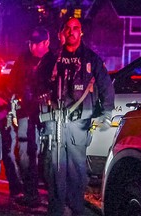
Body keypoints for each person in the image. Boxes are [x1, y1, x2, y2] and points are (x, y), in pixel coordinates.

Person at [44, 17, 115, 216]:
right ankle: (56, 209)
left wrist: (107, 112)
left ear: (81, 32)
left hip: (79, 124)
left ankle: (76, 208)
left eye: (76, 28)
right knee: (54, 168)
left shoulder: (91, 59)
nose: (71, 32)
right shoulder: (51, 59)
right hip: (53, 123)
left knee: (76, 169)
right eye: (67, 28)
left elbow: (106, 88)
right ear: (62, 32)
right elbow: (35, 85)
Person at [0, 26, 56, 207]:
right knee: (24, 154)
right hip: (25, 112)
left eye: (37, 44)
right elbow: (12, 83)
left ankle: (53, 196)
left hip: (47, 115)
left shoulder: (54, 61)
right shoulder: (23, 59)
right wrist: (3, 99)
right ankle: (30, 193)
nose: (33, 47)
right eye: (31, 43)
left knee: (48, 156)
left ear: (46, 43)